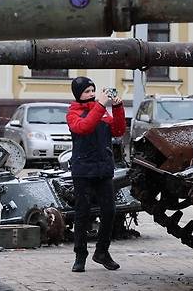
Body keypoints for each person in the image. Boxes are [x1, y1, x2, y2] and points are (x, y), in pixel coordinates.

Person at [66, 76, 126, 272]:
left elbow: (118, 131)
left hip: (103, 169)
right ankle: (80, 256)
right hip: (83, 171)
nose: (91, 94)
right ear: (78, 95)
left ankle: (101, 252)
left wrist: (117, 108)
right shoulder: (73, 113)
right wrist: (100, 104)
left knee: (109, 212)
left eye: (93, 90)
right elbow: (84, 127)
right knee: (82, 214)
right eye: (87, 91)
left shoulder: (101, 112)